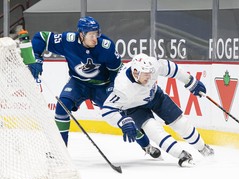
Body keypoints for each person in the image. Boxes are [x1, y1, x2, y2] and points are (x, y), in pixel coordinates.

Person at [27, 16, 160, 158]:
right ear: (81, 34)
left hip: (103, 86)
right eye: (91, 35)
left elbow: (117, 72)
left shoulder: (106, 46)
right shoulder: (68, 40)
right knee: (62, 107)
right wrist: (36, 57)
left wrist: (116, 94)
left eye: (97, 34)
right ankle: (60, 152)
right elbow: (40, 37)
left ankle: (147, 146)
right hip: (78, 83)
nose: (95, 38)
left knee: (121, 118)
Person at [101, 53, 214, 167]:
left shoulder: (152, 65)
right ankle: (181, 155)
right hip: (133, 107)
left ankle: (203, 148)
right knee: (153, 130)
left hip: (155, 96)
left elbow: (171, 68)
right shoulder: (122, 87)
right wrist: (123, 122)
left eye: (150, 73)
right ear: (135, 72)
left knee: (181, 123)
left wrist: (190, 81)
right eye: (146, 74)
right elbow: (107, 109)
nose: (149, 77)